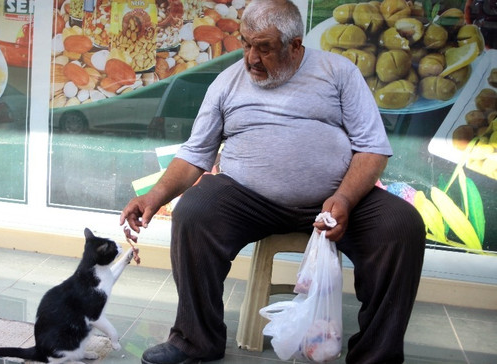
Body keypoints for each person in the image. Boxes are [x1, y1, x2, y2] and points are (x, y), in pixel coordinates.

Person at [120, 0, 426, 363]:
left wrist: (344, 198)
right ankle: (195, 340)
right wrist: (153, 197)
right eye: (246, 43)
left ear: (295, 45)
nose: (250, 58)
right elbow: (195, 155)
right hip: (247, 197)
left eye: (264, 47)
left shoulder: (338, 72)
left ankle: (376, 356)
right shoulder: (227, 83)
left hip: (338, 198)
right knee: (194, 214)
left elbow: (372, 150)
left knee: (401, 226)